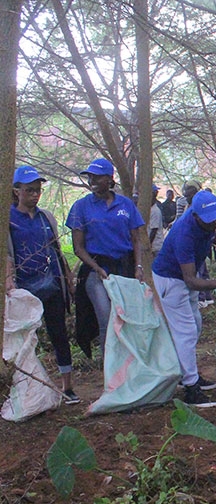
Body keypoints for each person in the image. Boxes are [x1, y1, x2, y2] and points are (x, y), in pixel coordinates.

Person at [152, 190, 216, 407]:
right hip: (171, 281)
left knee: (194, 326)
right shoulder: (184, 233)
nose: (214, 223)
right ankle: (190, 388)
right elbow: (189, 280)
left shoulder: (206, 223)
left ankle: (189, 374)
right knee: (185, 332)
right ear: (195, 216)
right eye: (209, 220)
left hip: (186, 278)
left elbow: (214, 235)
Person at [7, 166, 78, 404]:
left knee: (59, 334)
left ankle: (67, 387)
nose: (35, 195)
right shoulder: (8, 219)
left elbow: (56, 249)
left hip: (51, 285)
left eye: (38, 190)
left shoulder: (45, 217)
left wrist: (67, 277)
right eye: (29, 190)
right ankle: (25, 389)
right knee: (25, 340)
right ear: (16, 191)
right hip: (23, 289)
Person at [67, 158, 145, 356]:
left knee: (127, 318)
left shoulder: (125, 204)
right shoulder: (81, 207)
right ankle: (110, 372)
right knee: (106, 320)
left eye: (97, 177)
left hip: (124, 268)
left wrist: (139, 267)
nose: (92, 180)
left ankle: (129, 364)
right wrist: (96, 268)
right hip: (97, 271)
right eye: (90, 176)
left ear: (110, 179)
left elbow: (136, 239)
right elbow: (78, 248)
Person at [148, 185, 165, 256]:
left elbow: (154, 230)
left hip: (155, 247)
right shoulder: (149, 210)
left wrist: (148, 245)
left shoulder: (155, 211)